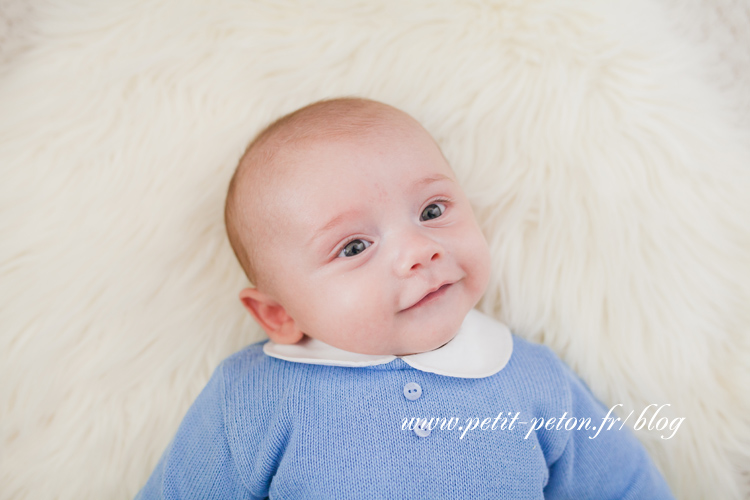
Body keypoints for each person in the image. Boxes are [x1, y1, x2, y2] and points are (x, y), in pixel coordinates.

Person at [136, 97, 674, 499]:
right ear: (278, 314)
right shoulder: (253, 397)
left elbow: (625, 486)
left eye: (433, 211)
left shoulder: (533, 379)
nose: (419, 250)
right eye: (353, 246)